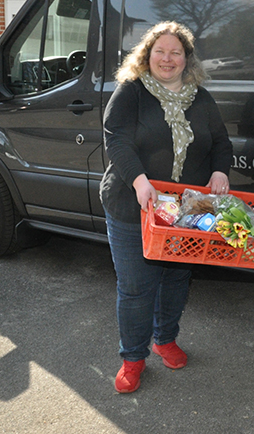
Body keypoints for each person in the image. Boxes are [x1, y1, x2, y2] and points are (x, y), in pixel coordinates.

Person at [99, 21, 233, 393]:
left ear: (187, 59)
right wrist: (139, 180)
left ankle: (165, 339)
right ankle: (133, 358)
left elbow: (221, 142)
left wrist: (220, 170)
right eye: (160, 51)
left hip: (183, 213)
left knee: (175, 279)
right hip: (133, 207)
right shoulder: (132, 92)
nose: (167, 58)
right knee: (136, 287)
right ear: (147, 55)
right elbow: (117, 140)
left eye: (176, 52)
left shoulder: (200, 99)